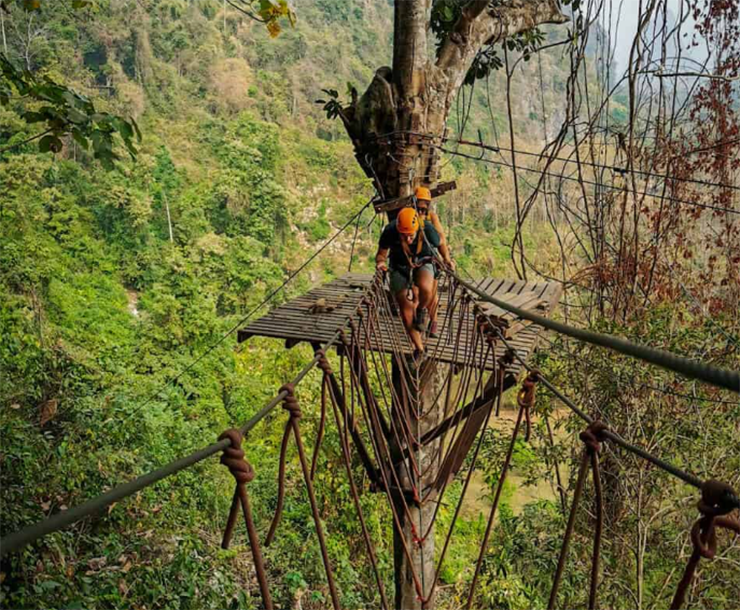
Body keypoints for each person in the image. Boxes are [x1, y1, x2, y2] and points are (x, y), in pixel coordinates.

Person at [375, 206, 445, 359]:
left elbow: (440, 243)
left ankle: (421, 310)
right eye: (404, 235)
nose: (408, 239)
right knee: (405, 308)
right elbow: (381, 254)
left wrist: (447, 259)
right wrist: (381, 263)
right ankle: (419, 348)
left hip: (423, 261)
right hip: (399, 266)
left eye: (410, 235)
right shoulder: (390, 231)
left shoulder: (427, 229)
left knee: (426, 288)